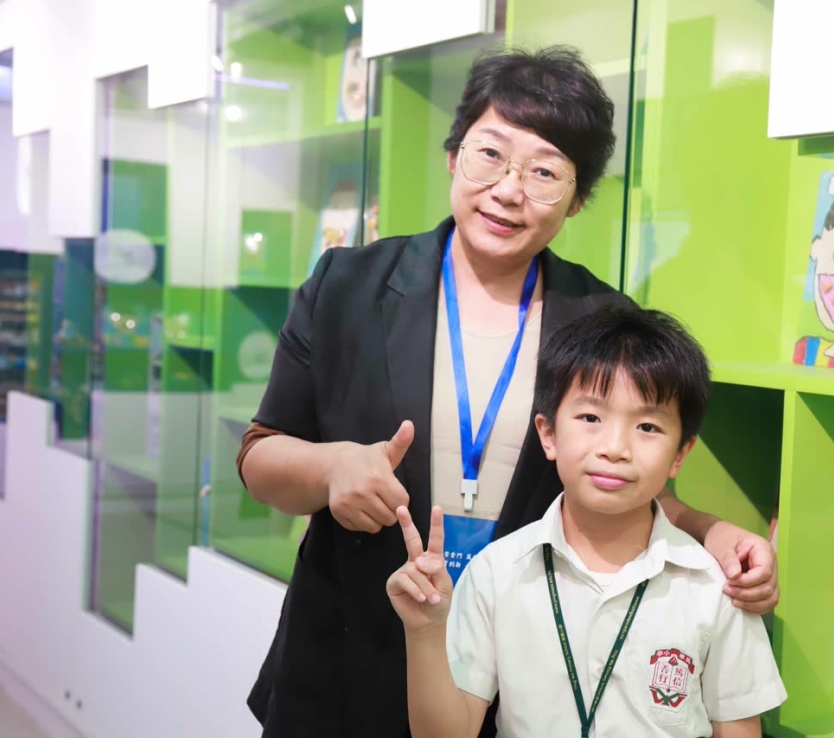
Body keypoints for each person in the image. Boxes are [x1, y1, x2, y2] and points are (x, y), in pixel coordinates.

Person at [237, 45, 780, 737]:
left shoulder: (600, 319)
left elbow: (620, 482)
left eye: (545, 172)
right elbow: (260, 457)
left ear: (578, 199)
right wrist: (330, 468)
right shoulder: (347, 286)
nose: (508, 189)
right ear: (453, 155)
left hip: (526, 674)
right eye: (489, 154)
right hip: (348, 652)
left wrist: (713, 533)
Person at [387, 306, 787, 737]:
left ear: (680, 454)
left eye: (648, 426)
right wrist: (425, 632)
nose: (615, 448)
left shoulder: (713, 586)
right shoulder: (497, 573)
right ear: (548, 434)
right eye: (591, 418)